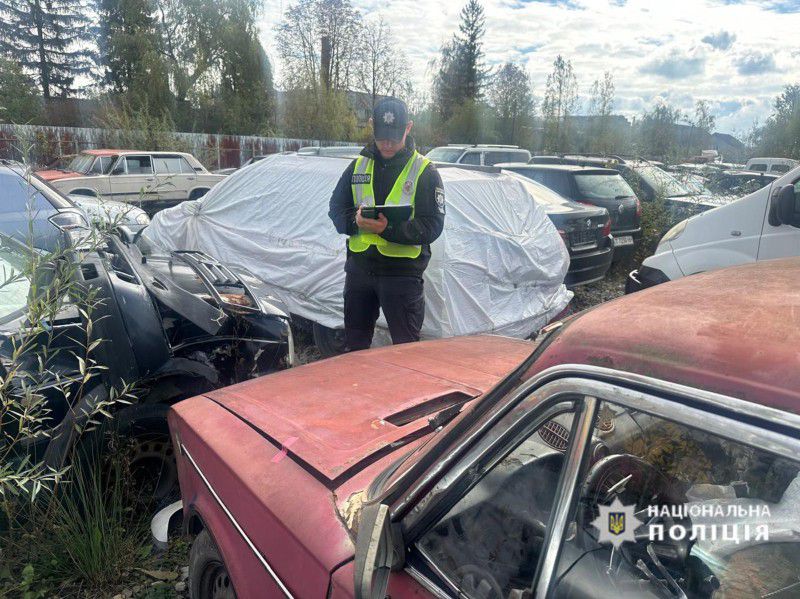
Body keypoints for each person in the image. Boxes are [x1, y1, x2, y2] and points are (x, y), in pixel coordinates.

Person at [328, 97, 445, 351]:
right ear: (371, 125)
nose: (387, 143)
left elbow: (434, 225)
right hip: (359, 273)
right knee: (354, 350)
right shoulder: (358, 165)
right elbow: (336, 210)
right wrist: (355, 222)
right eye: (381, 136)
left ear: (409, 127)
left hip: (402, 276)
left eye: (394, 135)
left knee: (406, 355)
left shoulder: (424, 171)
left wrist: (388, 230)